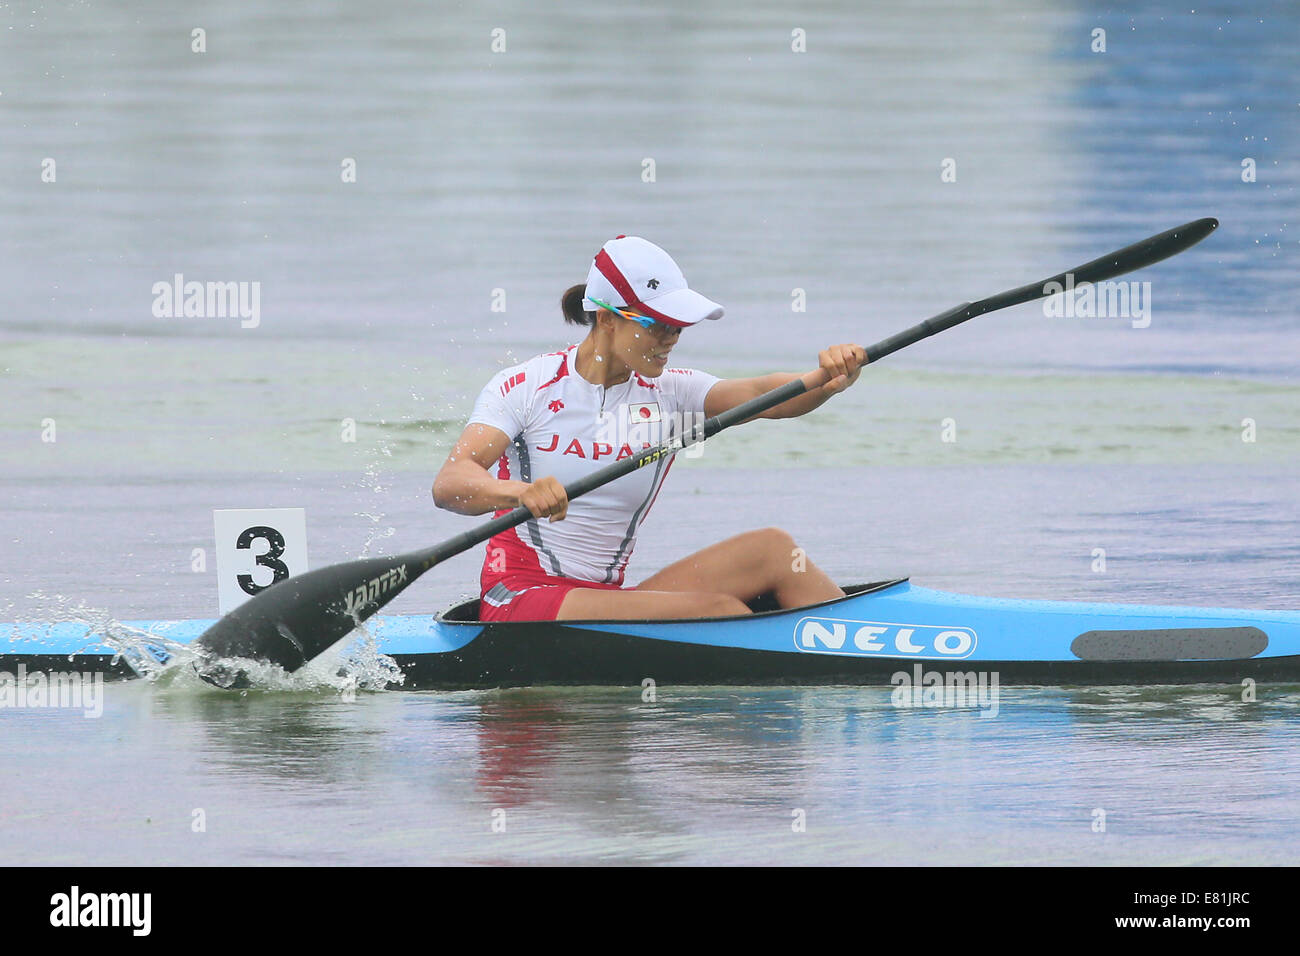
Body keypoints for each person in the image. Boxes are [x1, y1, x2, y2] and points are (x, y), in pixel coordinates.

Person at [432, 235, 866, 622]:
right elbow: (452, 483)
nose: (670, 337)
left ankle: (863, 654)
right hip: (523, 596)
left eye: (677, 325)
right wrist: (519, 493)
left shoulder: (671, 392)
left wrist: (829, 378)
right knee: (721, 613)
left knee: (774, 551)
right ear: (606, 320)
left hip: (602, 598)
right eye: (656, 323)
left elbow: (768, 396)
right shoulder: (527, 387)